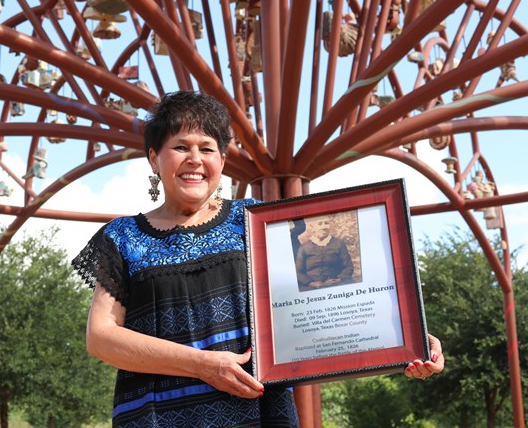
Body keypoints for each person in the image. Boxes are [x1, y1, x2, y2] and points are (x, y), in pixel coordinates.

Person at [72, 90, 444, 428]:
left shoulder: (255, 222)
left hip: (254, 413)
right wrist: (203, 365)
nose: (195, 160)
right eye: (181, 147)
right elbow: (101, 338)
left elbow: (310, 305)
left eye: (207, 148)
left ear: (221, 159)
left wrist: (404, 337)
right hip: (155, 417)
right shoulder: (122, 237)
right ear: (154, 158)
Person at [294, 215, 354, 291]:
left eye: (326, 223)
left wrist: (339, 279)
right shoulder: (304, 247)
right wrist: (311, 283)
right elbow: (298, 272)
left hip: (336, 284)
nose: (324, 227)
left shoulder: (339, 243)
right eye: (320, 224)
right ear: (312, 227)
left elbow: (348, 267)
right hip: (311, 287)